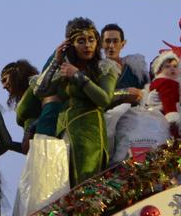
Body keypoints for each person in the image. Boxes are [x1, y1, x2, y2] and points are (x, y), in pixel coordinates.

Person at [34, 17, 119, 186]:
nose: (87, 45)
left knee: (85, 188)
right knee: (62, 188)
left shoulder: (104, 67)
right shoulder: (64, 69)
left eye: (91, 40)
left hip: (89, 138)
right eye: (81, 41)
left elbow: (104, 99)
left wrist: (78, 76)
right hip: (62, 137)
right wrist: (55, 62)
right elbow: (39, 91)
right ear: (70, 45)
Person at [0, 59, 39, 153]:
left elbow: (53, 111)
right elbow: (27, 148)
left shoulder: (36, 85)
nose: (3, 86)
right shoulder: (22, 99)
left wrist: (31, 129)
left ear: (16, 74)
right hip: (36, 153)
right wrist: (8, 145)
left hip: (49, 143)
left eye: (5, 80)